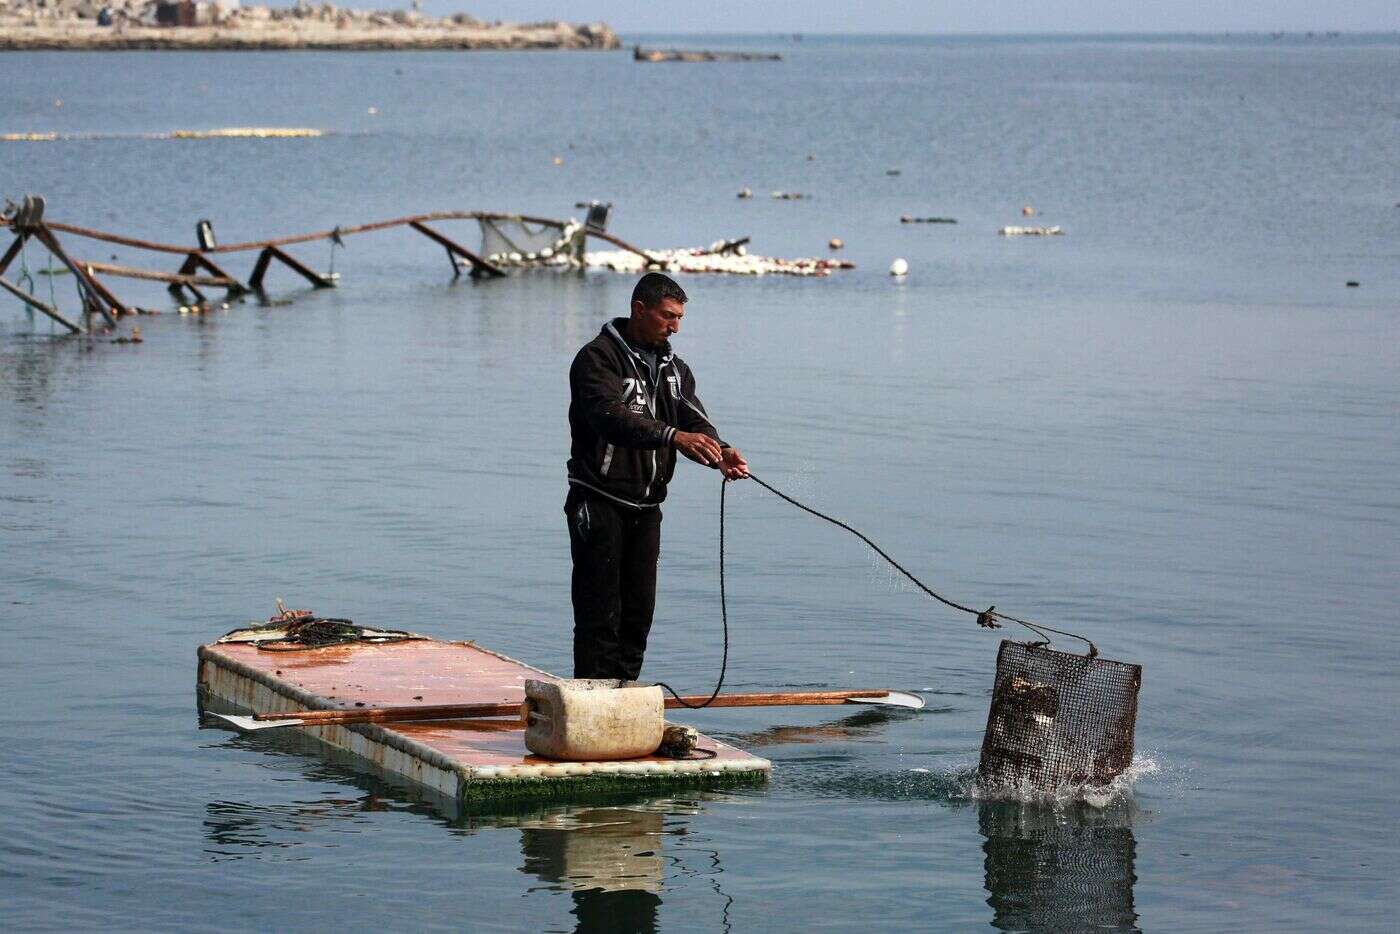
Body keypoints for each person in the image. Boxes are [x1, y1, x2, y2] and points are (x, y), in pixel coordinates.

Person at [565, 272, 748, 681]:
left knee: (638, 616)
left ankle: (624, 702)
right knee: (600, 614)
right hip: (598, 500)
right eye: (668, 316)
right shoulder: (597, 358)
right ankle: (591, 707)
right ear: (639, 310)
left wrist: (719, 451)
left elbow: (692, 418)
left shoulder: (674, 369)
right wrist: (671, 436)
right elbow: (608, 417)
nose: (675, 327)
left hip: (647, 509)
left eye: (680, 318)